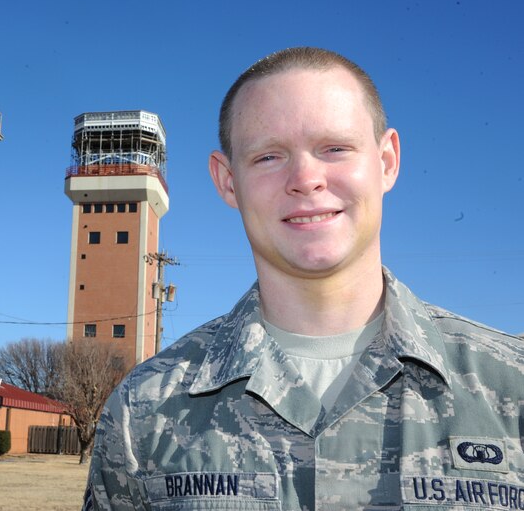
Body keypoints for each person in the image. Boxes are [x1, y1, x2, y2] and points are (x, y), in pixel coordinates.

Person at [82, 47, 524, 510]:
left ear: (387, 160)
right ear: (228, 181)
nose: (306, 178)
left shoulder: (509, 387)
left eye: (335, 148)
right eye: (269, 156)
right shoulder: (143, 410)